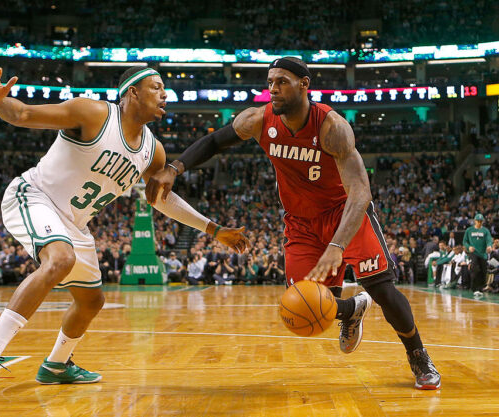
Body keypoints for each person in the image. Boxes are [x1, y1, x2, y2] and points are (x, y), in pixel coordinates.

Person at [146, 57, 441, 390]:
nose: (273, 88)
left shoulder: (332, 128)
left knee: (381, 288)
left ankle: (418, 356)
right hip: (300, 222)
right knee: (304, 301)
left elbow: (360, 194)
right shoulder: (258, 120)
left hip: (344, 213)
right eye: (270, 81)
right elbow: (215, 141)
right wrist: (175, 168)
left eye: (282, 81)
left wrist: (336, 246)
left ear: (304, 84)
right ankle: (352, 309)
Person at [0, 67, 250, 397]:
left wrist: (213, 229)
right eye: (156, 87)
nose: (164, 94)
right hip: (35, 196)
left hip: (74, 224)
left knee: (91, 301)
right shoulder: (94, 113)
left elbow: (161, 200)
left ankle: (56, 365)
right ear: (132, 93)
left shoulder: (154, 151)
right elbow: (23, 113)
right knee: (59, 259)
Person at [463, 213, 493, 298]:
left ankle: (480, 288)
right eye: (478, 221)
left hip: (483, 254)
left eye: (481, 221)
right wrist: (469, 247)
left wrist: (489, 246)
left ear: (482, 221)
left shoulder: (485, 231)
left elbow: (489, 240)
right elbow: (465, 241)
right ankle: (475, 288)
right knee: (475, 269)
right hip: (474, 253)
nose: (479, 223)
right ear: (474, 221)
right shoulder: (469, 230)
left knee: (483, 271)